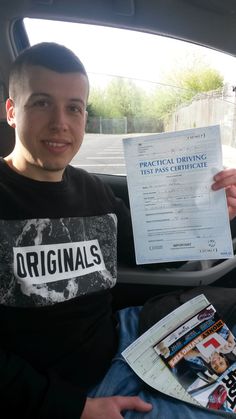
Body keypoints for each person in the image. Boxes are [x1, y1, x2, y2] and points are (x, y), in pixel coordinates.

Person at [1, 41, 236, 419]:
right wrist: (76, 409)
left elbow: (152, 252)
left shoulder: (91, 190)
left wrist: (211, 216)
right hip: (68, 393)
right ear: (12, 111)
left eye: (74, 108)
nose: (61, 122)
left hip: (124, 339)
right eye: (42, 102)